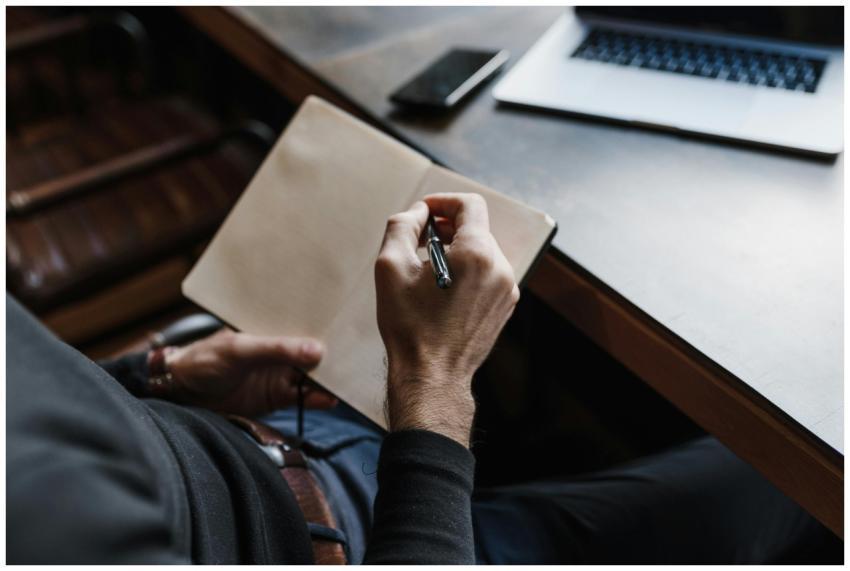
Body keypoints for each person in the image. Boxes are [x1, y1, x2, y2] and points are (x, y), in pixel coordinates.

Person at [7, 193, 836, 564]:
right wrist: (435, 384)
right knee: (796, 465)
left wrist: (161, 374)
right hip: (375, 542)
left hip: (269, 440)